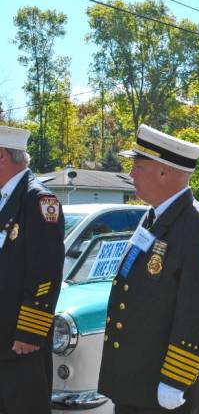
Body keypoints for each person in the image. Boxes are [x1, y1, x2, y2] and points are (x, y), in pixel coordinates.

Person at [98, 124, 199, 414]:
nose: (131, 174)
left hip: (166, 388)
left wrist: (175, 379)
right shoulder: (153, 217)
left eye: (138, 166)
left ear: (163, 172)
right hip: (137, 381)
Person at [0, 126, 65, 414]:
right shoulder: (5, 198)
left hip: (20, 343)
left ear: (2, 156)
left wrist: (30, 331)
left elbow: (46, 272)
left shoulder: (38, 200)